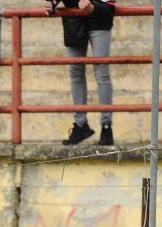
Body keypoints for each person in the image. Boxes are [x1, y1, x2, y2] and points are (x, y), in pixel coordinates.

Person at [45, 0, 116, 146]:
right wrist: (51, 3)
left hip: (99, 19)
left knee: (101, 71)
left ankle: (106, 126)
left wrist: (94, 7)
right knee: (76, 71)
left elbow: (109, 6)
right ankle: (81, 125)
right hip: (74, 19)